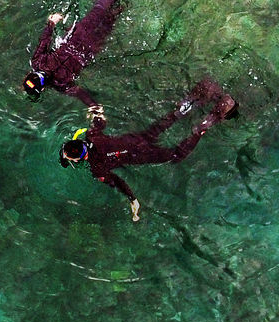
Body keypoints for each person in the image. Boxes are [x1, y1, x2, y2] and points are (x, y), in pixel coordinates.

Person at [59, 78, 237, 221]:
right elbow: (100, 117)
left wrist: (132, 199)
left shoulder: (97, 168)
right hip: (135, 139)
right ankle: (194, 98)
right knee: (163, 124)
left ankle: (204, 126)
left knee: (176, 155)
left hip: (140, 155)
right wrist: (89, 104)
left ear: (79, 158)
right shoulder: (92, 135)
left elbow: (118, 182)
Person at [23, 0, 127, 105]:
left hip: (89, 48)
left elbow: (82, 95)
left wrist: (95, 109)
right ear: (30, 73)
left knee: (109, 20)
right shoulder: (38, 62)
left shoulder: (61, 84)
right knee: (100, 11)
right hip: (78, 35)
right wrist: (51, 23)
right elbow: (44, 40)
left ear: (43, 89)